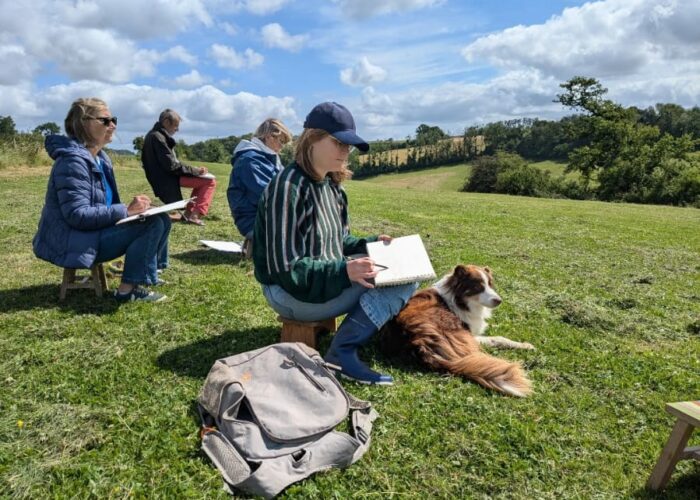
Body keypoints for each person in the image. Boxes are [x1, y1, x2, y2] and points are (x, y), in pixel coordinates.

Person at [253, 102, 417, 385]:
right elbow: (287, 270)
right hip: (289, 294)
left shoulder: (332, 188)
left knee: (406, 268)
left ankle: (348, 342)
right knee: (400, 281)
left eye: (348, 145)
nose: (345, 151)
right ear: (312, 139)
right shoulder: (288, 187)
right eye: (339, 142)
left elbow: (339, 241)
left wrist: (370, 244)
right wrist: (344, 272)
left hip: (318, 284)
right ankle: (341, 352)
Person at [33, 97, 171, 302]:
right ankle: (127, 291)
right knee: (149, 225)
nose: (112, 125)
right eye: (105, 120)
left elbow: (104, 206)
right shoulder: (72, 162)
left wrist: (137, 210)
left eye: (113, 119)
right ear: (83, 123)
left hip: (93, 233)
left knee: (161, 218)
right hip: (74, 241)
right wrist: (126, 210)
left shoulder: (101, 158)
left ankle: (148, 272)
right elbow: (77, 215)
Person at [227, 118, 292, 257]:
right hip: (253, 219)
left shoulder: (267, 158)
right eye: (281, 141)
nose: (282, 147)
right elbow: (268, 195)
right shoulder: (250, 160)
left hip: (265, 216)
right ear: (269, 137)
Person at [141, 109, 216, 226]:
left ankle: (188, 213)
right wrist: (196, 171)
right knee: (209, 182)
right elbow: (172, 166)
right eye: (176, 126)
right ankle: (195, 215)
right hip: (167, 177)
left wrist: (195, 171)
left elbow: (170, 163)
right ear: (166, 122)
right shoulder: (158, 137)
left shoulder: (154, 135)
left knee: (203, 181)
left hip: (163, 176)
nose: (177, 129)